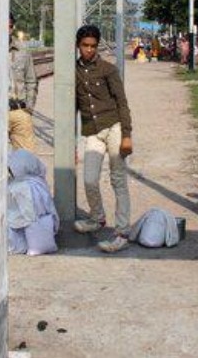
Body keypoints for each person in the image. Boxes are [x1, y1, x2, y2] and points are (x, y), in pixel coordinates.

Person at [73, 24, 133, 253]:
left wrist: (127, 135)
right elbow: (73, 108)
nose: (89, 50)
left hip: (114, 128)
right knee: (89, 179)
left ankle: (122, 232)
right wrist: (71, 144)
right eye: (85, 45)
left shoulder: (108, 69)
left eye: (93, 46)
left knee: (118, 180)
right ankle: (97, 218)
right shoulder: (74, 72)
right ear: (78, 46)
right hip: (92, 132)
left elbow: (122, 103)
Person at [7, 149, 58, 256]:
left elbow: (29, 215)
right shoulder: (39, 182)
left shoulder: (21, 186)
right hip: (43, 226)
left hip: (18, 233)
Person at [8, 13, 39, 151]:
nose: (5, 30)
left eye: (8, 26)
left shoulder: (23, 50)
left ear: (12, 27)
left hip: (19, 111)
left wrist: (29, 108)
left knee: (26, 162)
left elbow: (31, 80)